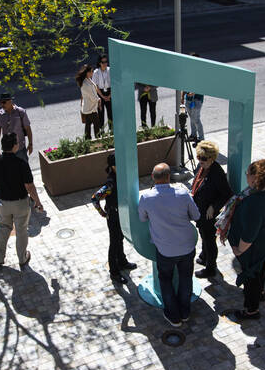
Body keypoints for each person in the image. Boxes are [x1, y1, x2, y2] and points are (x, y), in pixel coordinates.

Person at [137, 163, 199, 326]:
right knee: (186, 278)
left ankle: (173, 315)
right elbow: (196, 215)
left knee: (165, 280)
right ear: (169, 177)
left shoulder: (146, 198)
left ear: (153, 178)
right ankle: (185, 312)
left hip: (165, 250)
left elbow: (142, 218)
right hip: (187, 245)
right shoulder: (183, 194)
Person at [225, 159, 265, 321]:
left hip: (256, 245)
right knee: (260, 266)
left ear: (255, 179)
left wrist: (239, 250)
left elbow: (249, 235)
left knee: (251, 275)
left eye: (248, 173)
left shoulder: (254, 203)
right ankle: (260, 293)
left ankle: (251, 310)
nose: (246, 175)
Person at [0, 133, 45, 269]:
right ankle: (22, 258)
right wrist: (38, 202)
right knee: (21, 230)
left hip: (3, 203)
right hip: (20, 203)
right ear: (15, 145)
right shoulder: (21, 163)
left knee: (3, 229)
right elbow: (29, 186)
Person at [90, 155, 136, 287]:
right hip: (114, 216)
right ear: (112, 166)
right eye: (118, 165)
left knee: (120, 239)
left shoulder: (120, 177)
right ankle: (114, 272)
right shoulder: (110, 183)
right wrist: (102, 213)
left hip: (121, 214)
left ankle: (122, 262)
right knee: (114, 243)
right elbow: (94, 198)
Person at [190, 141, 232, 280]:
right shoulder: (201, 167)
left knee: (209, 240)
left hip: (209, 215)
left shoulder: (217, 173)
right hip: (200, 211)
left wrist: (214, 206)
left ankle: (210, 268)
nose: (200, 161)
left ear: (212, 159)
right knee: (203, 234)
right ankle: (204, 256)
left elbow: (227, 194)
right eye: (199, 157)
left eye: (204, 158)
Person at [0, 92, 34, 162]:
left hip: (20, 149)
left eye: (4, 102)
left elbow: (28, 128)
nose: (2, 104)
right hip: (7, 151)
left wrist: (30, 144)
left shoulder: (20, 112)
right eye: (0, 102)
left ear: (10, 101)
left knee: (23, 170)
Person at [76, 64, 102, 141]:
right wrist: (99, 99)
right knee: (96, 125)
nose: (92, 73)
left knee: (88, 126)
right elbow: (92, 97)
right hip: (90, 109)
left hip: (89, 108)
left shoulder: (88, 80)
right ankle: (98, 141)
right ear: (87, 72)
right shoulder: (85, 84)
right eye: (91, 71)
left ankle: (87, 141)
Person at [92, 55, 112, 131]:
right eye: (103, 62)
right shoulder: (96, 72)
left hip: (109, 92)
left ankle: (112, 130)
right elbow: (95, 86)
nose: (105, 64)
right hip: (100, 93)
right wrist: (103, 97)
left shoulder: (110, 70)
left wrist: (109, 95)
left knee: (111, 113)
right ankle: (102, 131)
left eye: (106, 62)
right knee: (101, 113)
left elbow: (113, 83)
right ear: (99, 63)